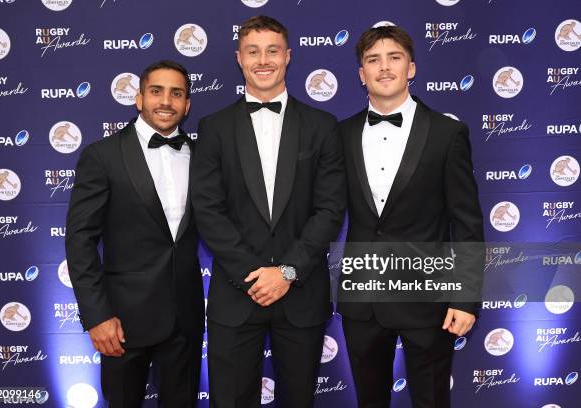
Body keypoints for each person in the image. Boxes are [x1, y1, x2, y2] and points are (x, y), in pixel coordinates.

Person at [190, 15, 346, 408]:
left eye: (272, 50)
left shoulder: (322, 126)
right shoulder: (213, 127)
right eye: (253, 52)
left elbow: (329, 209)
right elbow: (208, 210)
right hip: (235, 296)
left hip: (302, 297)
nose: (263, 60)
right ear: (239, 59)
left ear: (288, 57)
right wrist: (256, 277)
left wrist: (287, 272)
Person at [338, 26, 484, 408]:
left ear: (411, 68)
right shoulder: (340, 135)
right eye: (373, 60)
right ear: (361, 74)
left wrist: (466, 298)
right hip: (362, 300)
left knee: (432, 401)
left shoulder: (447, 133)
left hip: (430, 299)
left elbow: (467, 223)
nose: (384, 68)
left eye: (394, 58)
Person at [65, 60, 204, 407]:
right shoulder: (103, 156)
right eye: (156, 91)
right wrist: (97, 316)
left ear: (187, 105)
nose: (166, 101)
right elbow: (80, 241)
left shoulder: (201, 157)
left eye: (177, 93)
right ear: (139, 98)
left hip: (184, 320)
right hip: (121, 323)